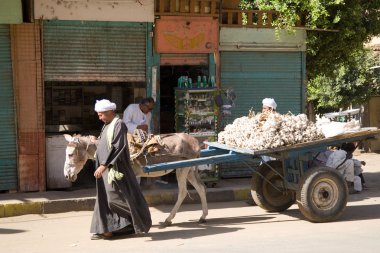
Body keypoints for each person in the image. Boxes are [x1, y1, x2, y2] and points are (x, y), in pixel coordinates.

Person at [90, 99, 152, 240]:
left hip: (116, 169)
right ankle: (106, 229)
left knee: (113, 198)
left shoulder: (119, 125)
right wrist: (96, 141)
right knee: (104, 198)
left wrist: (103, 165)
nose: (99, 118)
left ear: (110, 112)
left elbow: (118, 147)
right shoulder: (107, 125)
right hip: (106, 170)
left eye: (101, 115)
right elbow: (106, 143)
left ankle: (138, 219)